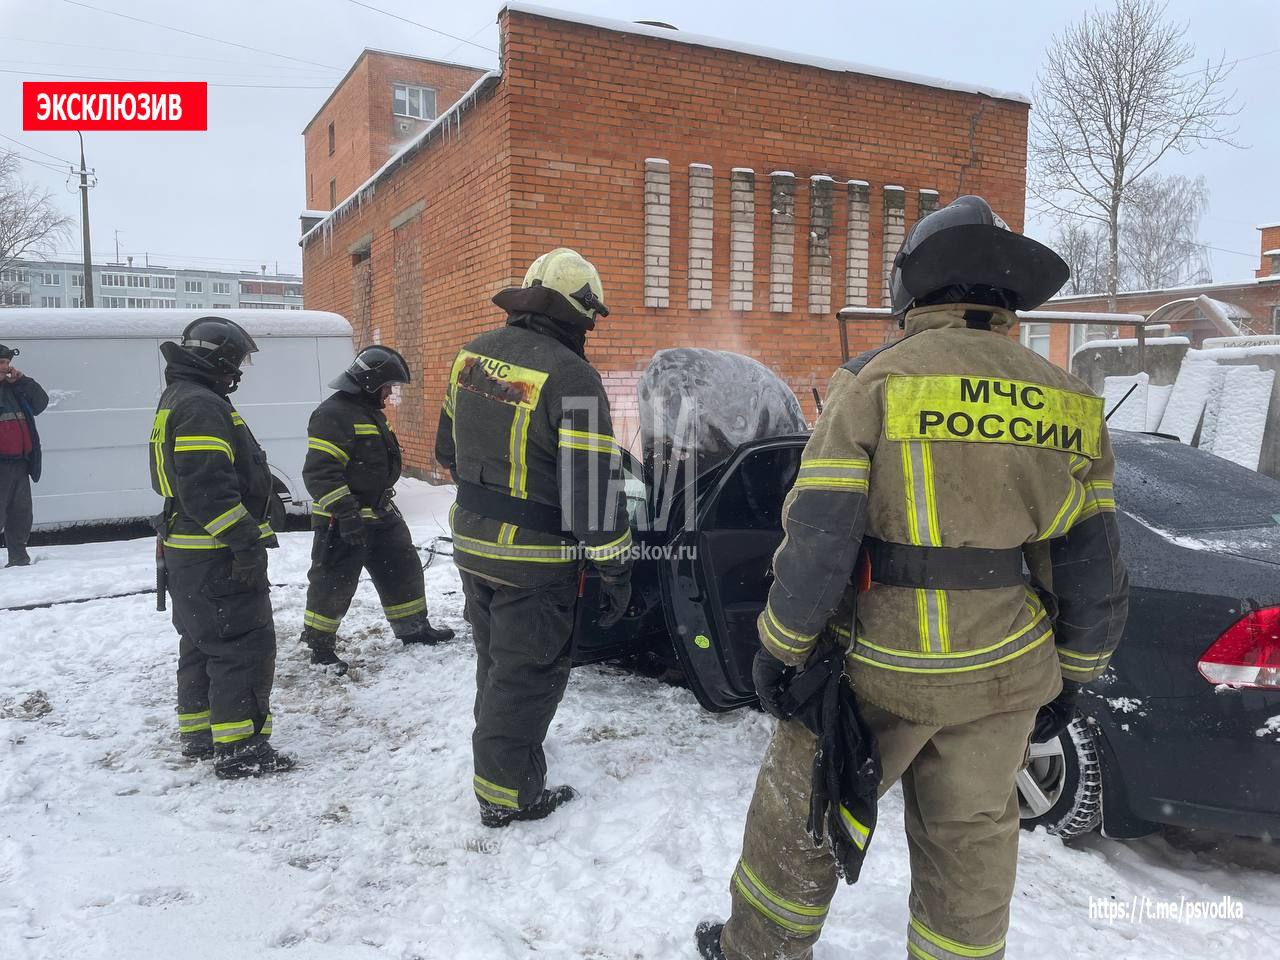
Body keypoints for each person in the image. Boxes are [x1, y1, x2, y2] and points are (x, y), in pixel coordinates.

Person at [696, 196, 1129, 960]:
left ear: (913, 292)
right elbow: (1090, 562)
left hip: (878, 670)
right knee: (971, 848)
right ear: (1002, 297)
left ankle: (754, 950)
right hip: (1005, 672)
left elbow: (819, 539)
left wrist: (781, 646)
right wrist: (1076, 673)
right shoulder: (1070, 401)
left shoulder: (872, 383)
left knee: (799, 821)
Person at [435, 247, 634, 828]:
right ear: (577, 313)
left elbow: (447, 451)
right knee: (528, 675)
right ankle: (507, 795)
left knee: (497, 663)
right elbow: (593, 497)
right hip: (535, 562)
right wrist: (617, 569)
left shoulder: (471, 356)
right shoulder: (572, 377)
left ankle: (499, 760)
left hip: (472, 545)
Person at [149, 317, 295, 780]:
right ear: (217, 359)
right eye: (237, 361)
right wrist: (245, 542)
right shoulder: (201, 406)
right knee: (241, 646)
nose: (240, 371)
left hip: (189, 553)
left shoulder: (183, 397)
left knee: (201, 642)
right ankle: (241, 749)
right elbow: (208, 488)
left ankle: (201, 732)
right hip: (215, 553)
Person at [300, 344, 454, 674]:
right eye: (388, 387)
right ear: (370, 383)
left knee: (403, 569)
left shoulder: (368, 413)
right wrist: (346, 513)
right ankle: (319, 646)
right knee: (334, 581)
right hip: (342, 519)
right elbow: (320, 473)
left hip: (381, 513)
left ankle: (414, 629)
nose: (390, 394)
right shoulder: (334, 414)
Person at [0, 344, 48, 567]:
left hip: (19, 462)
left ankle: (18, 557)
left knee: (21, 513)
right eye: (1, 363)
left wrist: (22, 380)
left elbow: (40, 403)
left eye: (7, 363)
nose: (6, 367)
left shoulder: (15, 387)